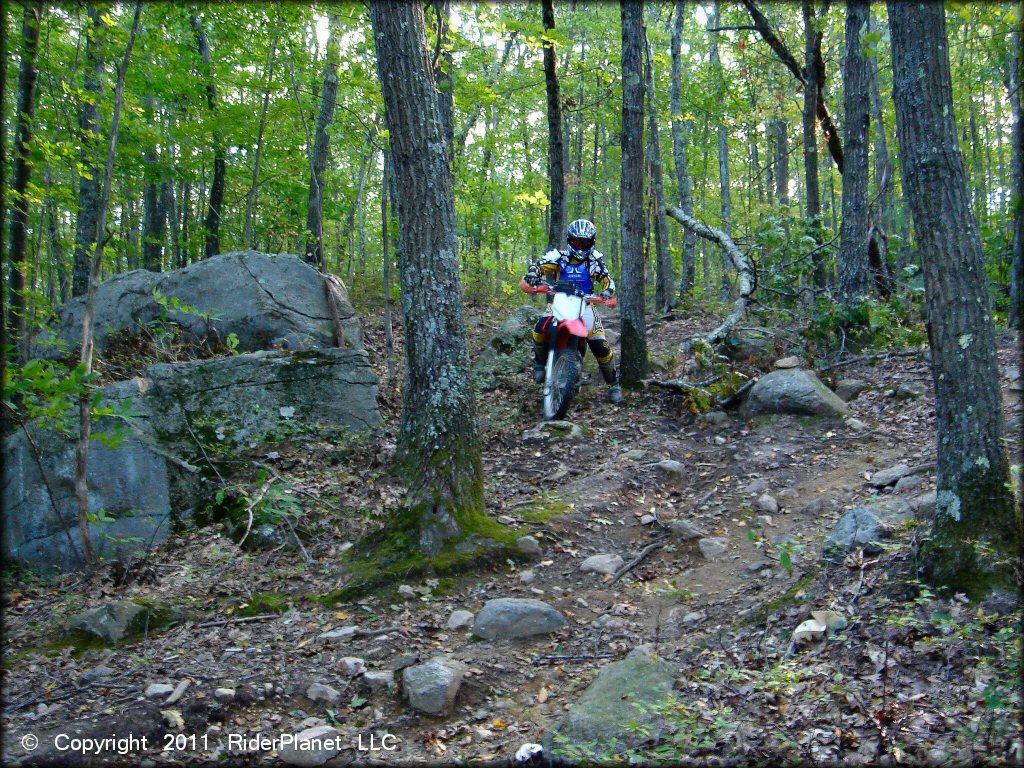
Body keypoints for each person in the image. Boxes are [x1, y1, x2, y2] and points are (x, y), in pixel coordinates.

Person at [522, 218, 624, 405]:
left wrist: (607, 291)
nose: (580, 246)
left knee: (600, 345)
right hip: (560, 300)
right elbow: (539, 266)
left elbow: (607, 279)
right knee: (539, 329)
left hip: (585, 304)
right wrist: (533, 275)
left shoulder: (594, 261)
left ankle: (613, 385)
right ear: (570, 240)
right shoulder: (558, 257)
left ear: (591, 243)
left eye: (584, 242)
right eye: (577, 241)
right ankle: (539, 362)